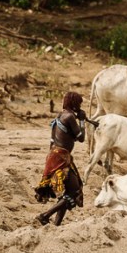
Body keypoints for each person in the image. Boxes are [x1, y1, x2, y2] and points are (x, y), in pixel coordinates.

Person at [35, 91, 87, 226]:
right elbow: (81, 138)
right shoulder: (69, 117)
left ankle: (56, 224)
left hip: (55, 155)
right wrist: (82, 120)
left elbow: (58, 139)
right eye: (79, 103)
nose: (80, 106)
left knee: (70, 192)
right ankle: (45, 215)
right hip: (61, 158)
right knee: (74, 191)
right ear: (74, 103)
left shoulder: (60, 116)